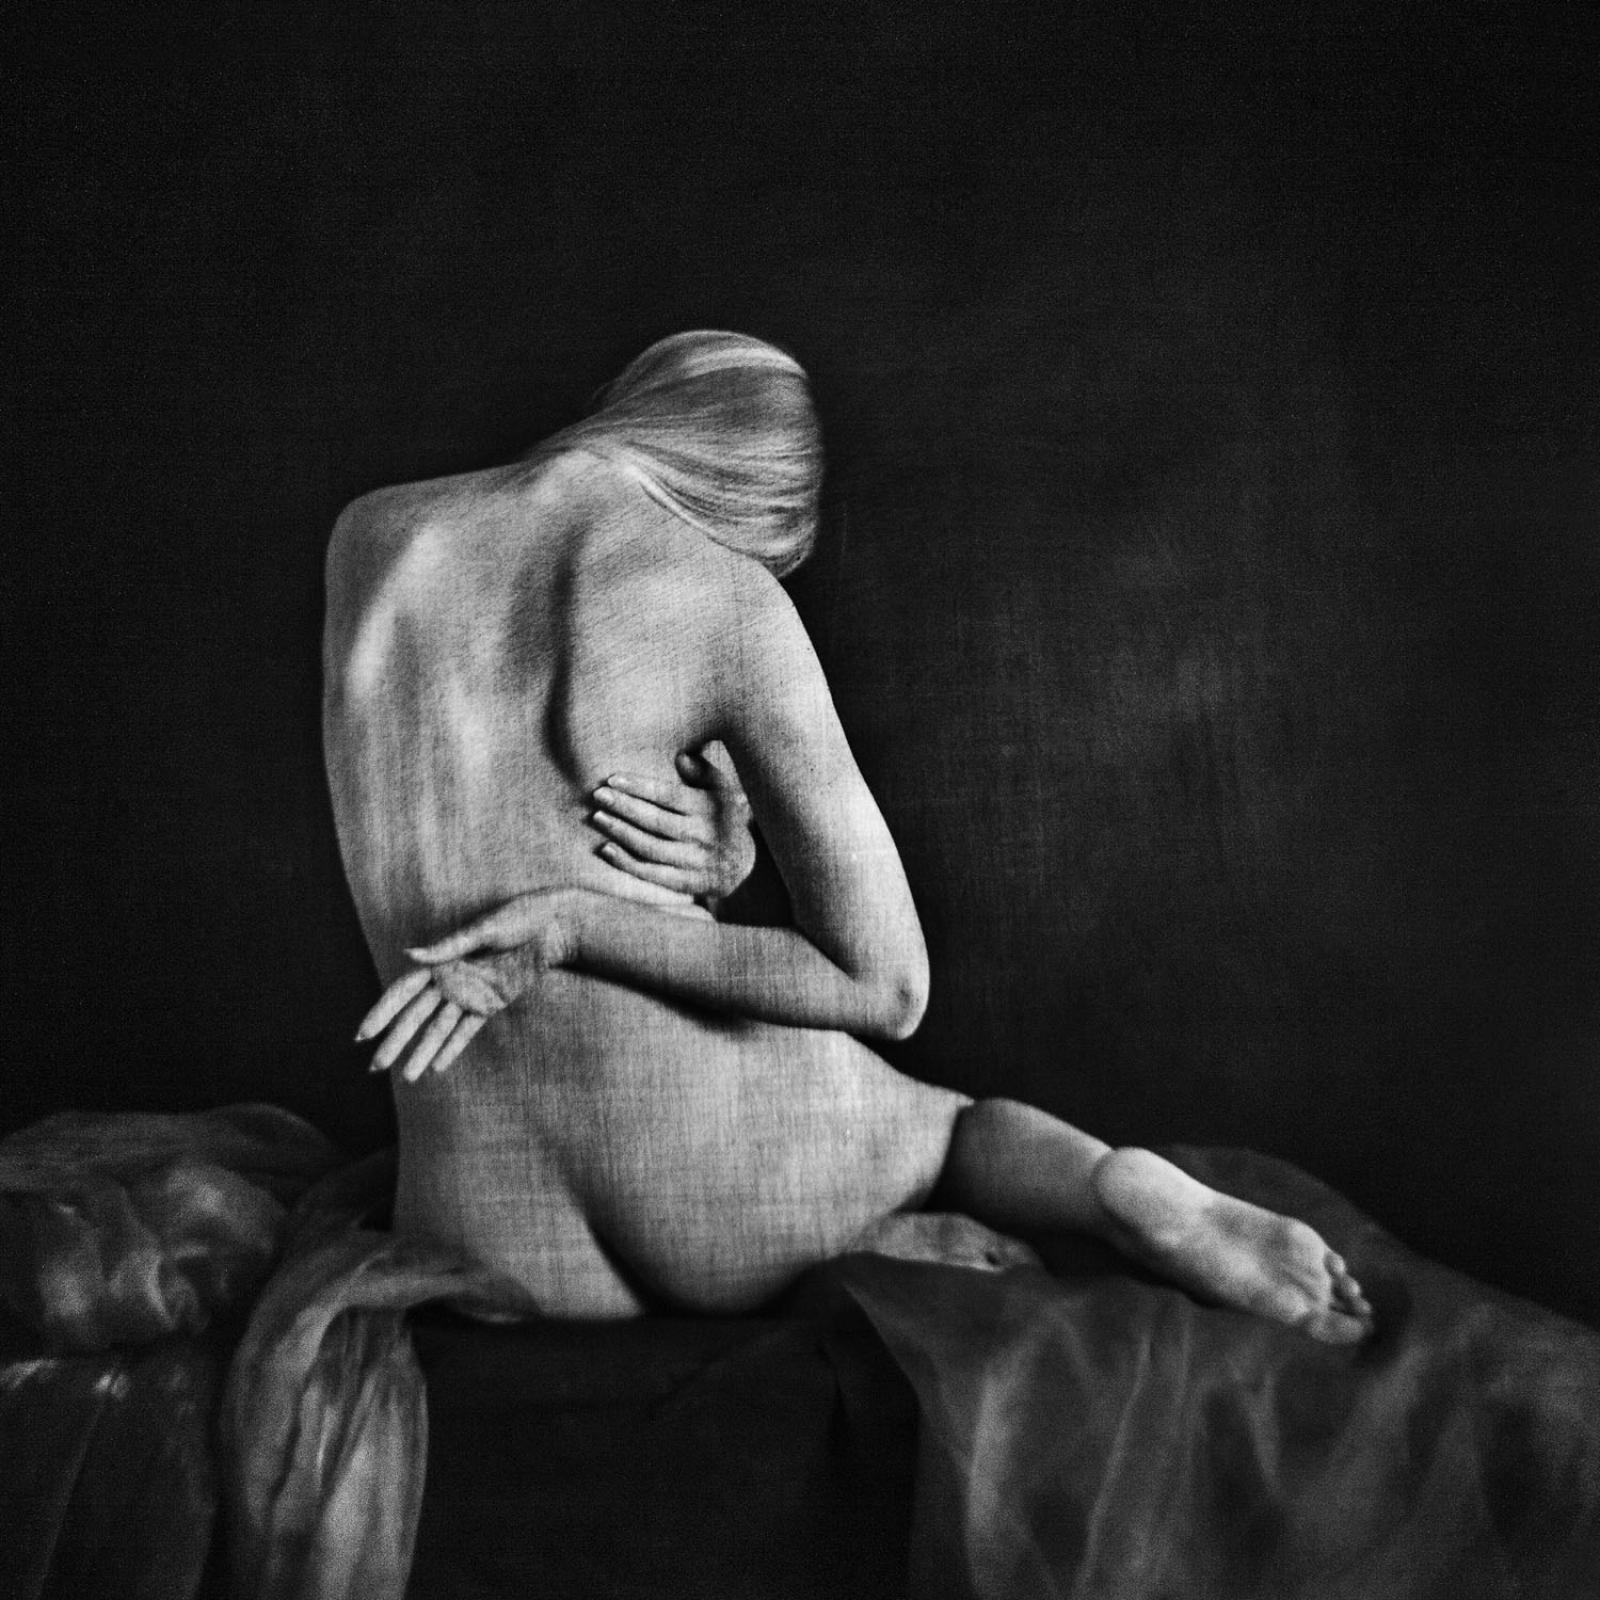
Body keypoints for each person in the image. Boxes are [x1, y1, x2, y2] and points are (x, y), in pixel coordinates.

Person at [327, 331, 1373, 1342]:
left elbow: (508, 801)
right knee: (955, 1132)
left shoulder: (371, 536)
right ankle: (1109, 1187)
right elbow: (887, 987)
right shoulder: (729, 601)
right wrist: (569, 924)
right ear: (757, 500)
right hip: (720, 1185)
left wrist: (728, 852)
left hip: (483, 1222)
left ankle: (883, 1249)